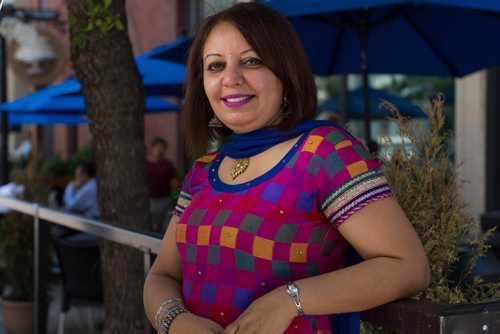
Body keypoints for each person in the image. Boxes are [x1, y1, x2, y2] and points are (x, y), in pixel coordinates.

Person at [143, 3, 430, 334]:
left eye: (252, 61)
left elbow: (408, 267)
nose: (230, 78)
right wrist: (176, 321)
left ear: (286, 71)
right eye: (215, 66)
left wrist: (286, 301)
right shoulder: (203, 171)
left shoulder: (324, 151)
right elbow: (162, 275)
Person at [146, 137, 178, 232]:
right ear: (152, 148)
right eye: (158, 147)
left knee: (165, 226)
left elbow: (174, 180)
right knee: (152, 225)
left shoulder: (168, 165)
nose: (159, 150)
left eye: (162, 148)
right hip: (149, 199)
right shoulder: (145, 164)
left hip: (164, 199)